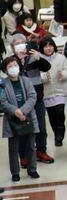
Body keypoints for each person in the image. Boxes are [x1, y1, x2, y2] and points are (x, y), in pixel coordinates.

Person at [2, 55, 40, 183]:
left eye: (15, 65)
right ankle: (15, 172)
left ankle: (32, 169)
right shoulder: (3, 84)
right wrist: (15, 111)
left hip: (27, 116)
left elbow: (32, 96)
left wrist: (22, 111)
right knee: (14, 147)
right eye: (10, 66)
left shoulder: (26, 80)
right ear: (5, 70)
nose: (13, 68)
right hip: (12, 119)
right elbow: (2, 101)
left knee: (30, 145)